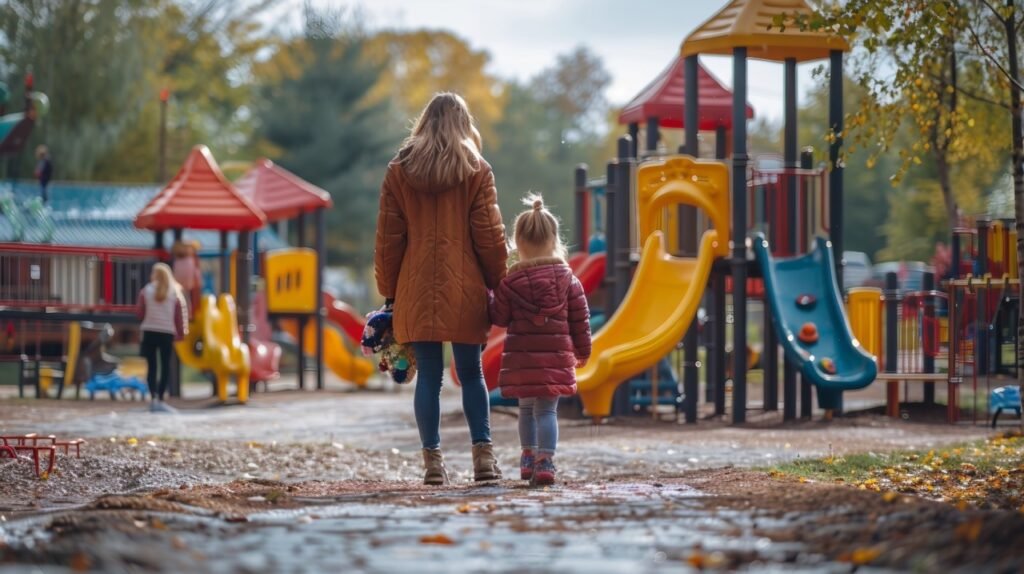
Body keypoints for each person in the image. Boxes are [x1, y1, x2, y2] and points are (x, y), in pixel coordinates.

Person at [375, 92, 508, 485]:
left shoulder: (398, 170)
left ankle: (432, 463)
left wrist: (389, 291)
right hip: (465, 287)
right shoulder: (476, 169)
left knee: (430, 376)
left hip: (414, 287)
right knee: (472, 373)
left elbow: (388, 239)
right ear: (464, 125)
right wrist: (498, 280)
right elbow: (489, 236)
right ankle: (483, 459)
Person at [489, 194, 591, 486]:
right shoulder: (570, 281)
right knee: (547, 410)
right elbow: (580, 322)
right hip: (556, 357)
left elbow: (498, 317)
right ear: (555, 240)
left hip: (522, 359)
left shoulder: (510, 283)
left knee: (525, 410)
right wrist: (582, 352)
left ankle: (527, 457)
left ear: (518, 243)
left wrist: (490, 295)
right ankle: (546, 461)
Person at [136, 262, 187, 413]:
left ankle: (152, 398)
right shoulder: (175, 292)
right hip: (167, 332)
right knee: (165, 366)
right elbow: (179, 316)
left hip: (149, 331)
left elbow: (139, 313)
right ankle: (161, 399)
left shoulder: (146, 291)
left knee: (152, 366)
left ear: (154, 275)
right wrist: (181, 333)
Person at [172, 240, 202, 320]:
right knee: (186, 299)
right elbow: (194, 273)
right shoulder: (190, 260)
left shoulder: (178, 260)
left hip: (180, 284)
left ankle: (186, 315)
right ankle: (188, 316)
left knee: (183, 298)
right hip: (186, 284)